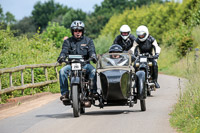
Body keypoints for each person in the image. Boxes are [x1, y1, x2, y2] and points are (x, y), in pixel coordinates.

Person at [57, 20, 98, 101]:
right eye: (75, 31)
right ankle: (65, 93)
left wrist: (93, 56)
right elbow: (64, 51)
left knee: (93, 71)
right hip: (71, 65)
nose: (77, 32)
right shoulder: (67, 41)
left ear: (82, 31)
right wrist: (61, 57)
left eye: (79, 30)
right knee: (62, 71)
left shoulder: (88, 41)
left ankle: (93, 92)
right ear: (72, 32)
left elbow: (91, 51)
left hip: (85, 64)